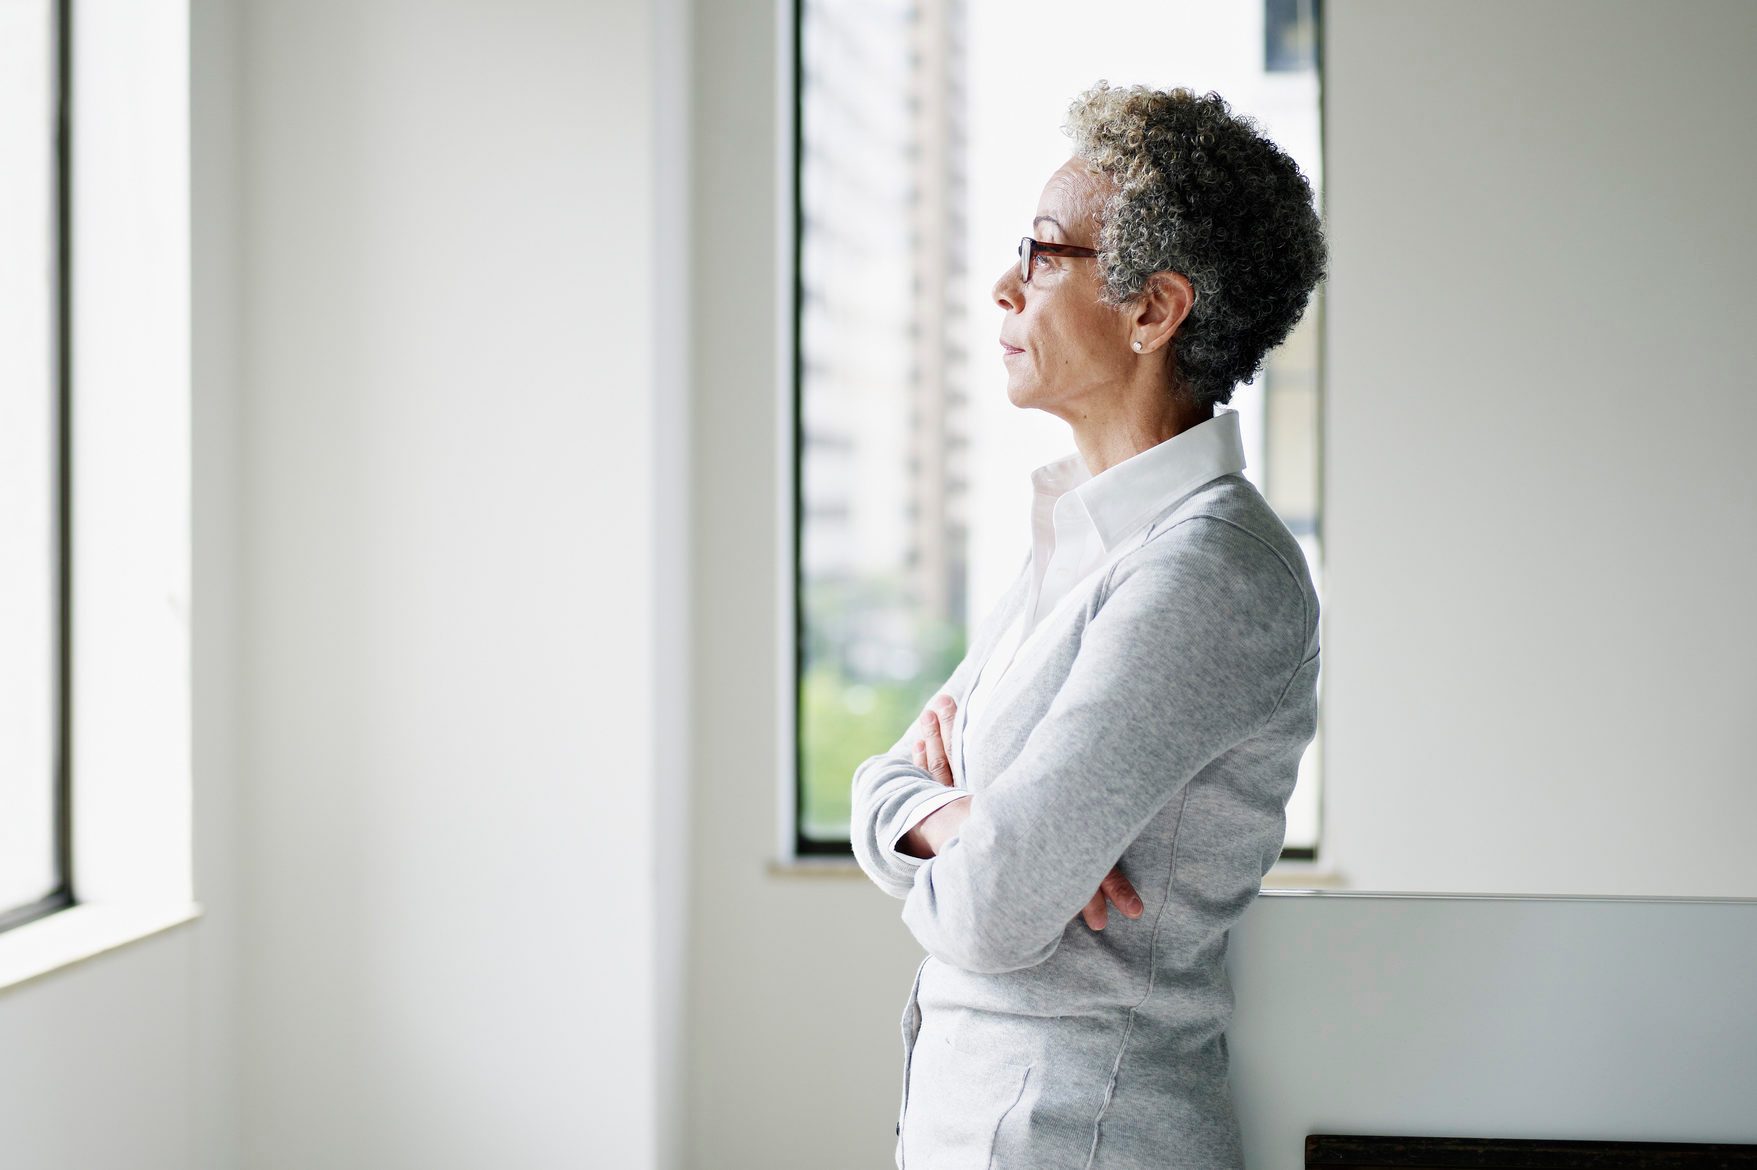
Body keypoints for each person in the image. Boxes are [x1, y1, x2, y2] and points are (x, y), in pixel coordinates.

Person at [850, 80, 1328, 1170]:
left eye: (1042, 253)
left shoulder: (1207, 575)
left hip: (1080, 1140)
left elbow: (988, 915)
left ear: (1152, 311)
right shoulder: (1080, 534)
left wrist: (970, 829)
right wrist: (953, 818)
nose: (1001, 287)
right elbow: (882, 784)